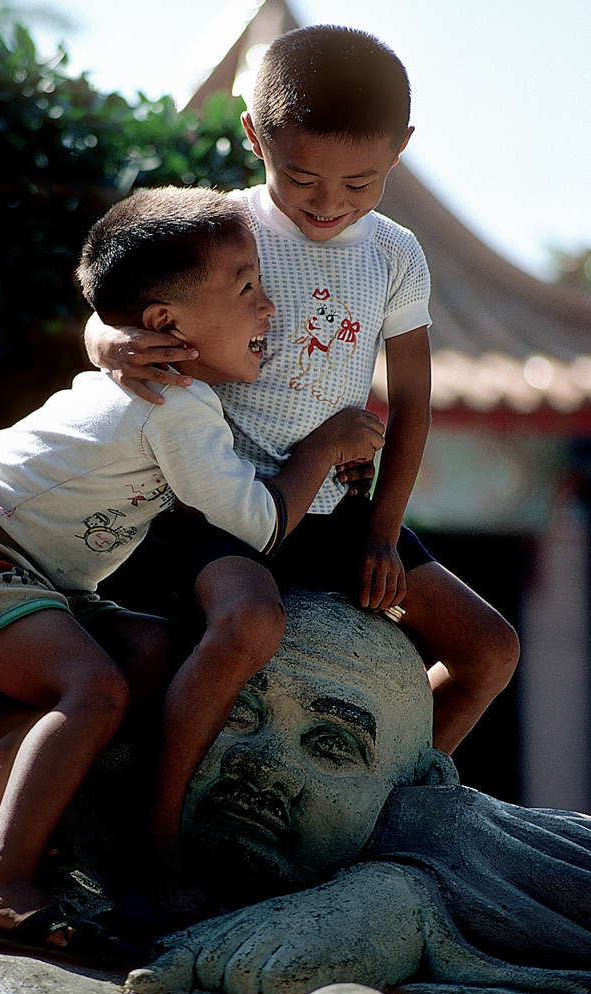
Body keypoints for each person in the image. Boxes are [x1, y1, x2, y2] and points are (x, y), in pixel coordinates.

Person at [0, 185, 386, 957]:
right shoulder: (177, 406)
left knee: (155, 650)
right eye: (248, 289)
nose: (270, 310)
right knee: (96, 689)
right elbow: (257, 525)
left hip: (40, 577)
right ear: (166, 325)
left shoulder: (175, 390)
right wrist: (321, 448)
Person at [0, 590, 591, 994]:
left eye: (332, 744)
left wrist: (407, 903)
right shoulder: (92, 750)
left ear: (412, 784)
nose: (265, 762)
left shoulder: (424, 837)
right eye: (236, 715)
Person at [83, 26, 520, 755]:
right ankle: (155, 825)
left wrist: (381, 531)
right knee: (227, 638)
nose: (327, 203)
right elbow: (114, 316)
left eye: (359, 184)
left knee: (490, 650)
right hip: (217, 505)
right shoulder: (220, 231)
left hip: (334, 514)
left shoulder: (395, 253)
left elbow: (412, 401)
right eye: (301, 177)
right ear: (256, 137)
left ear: (399, 149)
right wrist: (106, 342)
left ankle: (387, 807)